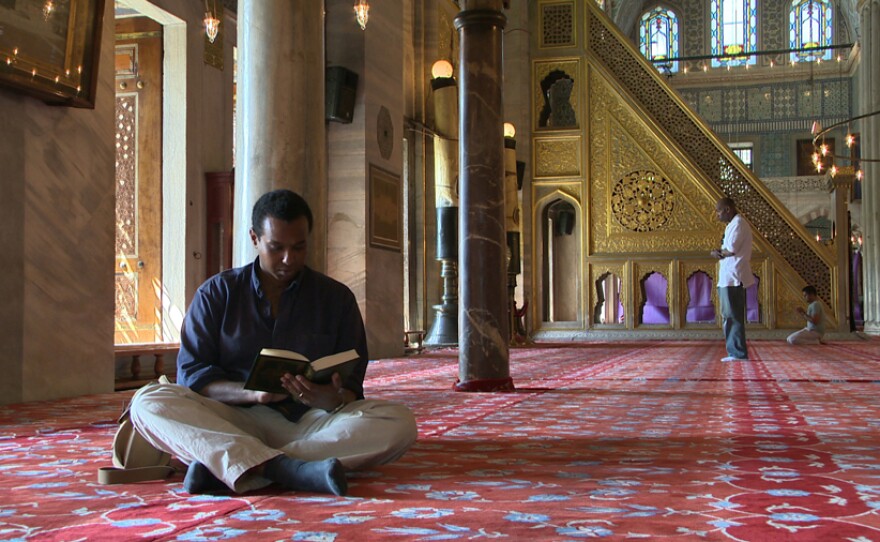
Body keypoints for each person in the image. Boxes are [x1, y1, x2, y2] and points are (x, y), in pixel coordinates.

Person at [129, 189, 418, 495]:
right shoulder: (217, 294)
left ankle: (236, 464)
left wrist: (328, 398)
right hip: (231, 417)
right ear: (255, 238)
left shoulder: (336, 299)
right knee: (148, 402)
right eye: (275, 247)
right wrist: (252, 394)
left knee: (399, 422)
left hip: (310, 421)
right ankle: (288, 468)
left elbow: (351, 385)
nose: (287, 259)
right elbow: (192, 375)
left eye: (299, 247)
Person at [710, 197, 754, 362]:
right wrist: (720, 252)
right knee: (729, 315)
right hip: (729, 276)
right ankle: (734, 351)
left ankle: (738, 353)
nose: (717, 215)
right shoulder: (732, 225)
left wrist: (718, 253)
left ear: (728, 209)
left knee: (733, 315)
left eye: (719, 211)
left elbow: (732, 249)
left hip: (734, 277)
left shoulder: (739, 224)